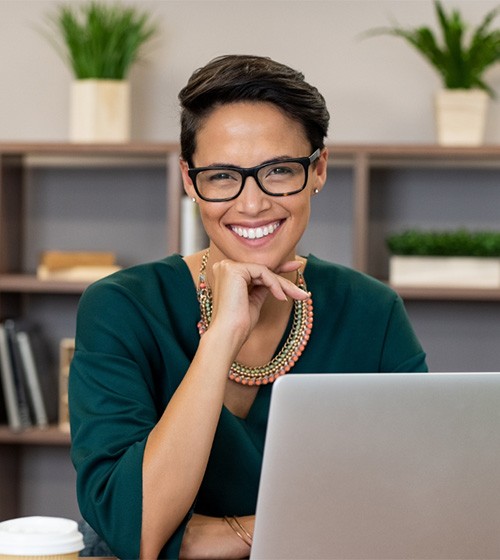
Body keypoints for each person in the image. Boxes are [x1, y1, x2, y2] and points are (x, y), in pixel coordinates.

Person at [69, 54, 427, 560]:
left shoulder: (373, 311)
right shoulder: (120, 307)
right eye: (221, 176)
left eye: (279, 171)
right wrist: (221, 337)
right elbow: (140, 529)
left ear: (318, 169)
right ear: (190, 183)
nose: (253, 203)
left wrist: (213, 536)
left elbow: (415, 501)